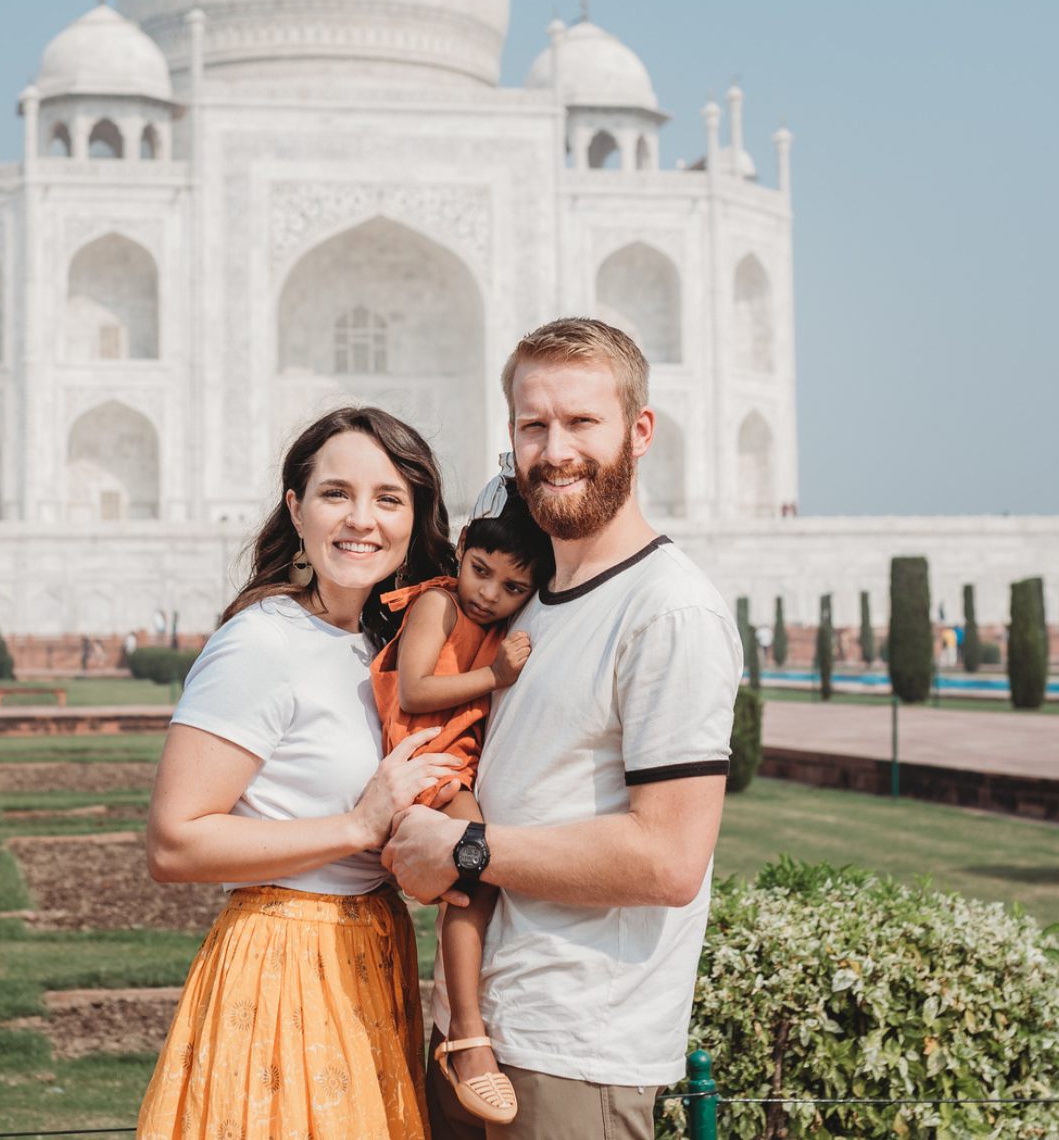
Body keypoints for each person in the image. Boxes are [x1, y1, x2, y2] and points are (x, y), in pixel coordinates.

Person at [385, 318, 739, 1140]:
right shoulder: (529, 600)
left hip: (576, 1053)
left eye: (582, 422)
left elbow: (669, 859)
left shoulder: (668, 611)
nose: (556, 449)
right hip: (475, 1037)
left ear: (639, 431)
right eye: (533, 425)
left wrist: (465, 849)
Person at [140, 406, 465, 1140]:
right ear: (296, 507)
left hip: (369, 953)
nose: (362, 520)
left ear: (416, 518)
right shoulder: (263, 643)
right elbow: (173, 844)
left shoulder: (379, 642)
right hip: (283, 964)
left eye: (388, 499)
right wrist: (357, 823)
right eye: (335, 494)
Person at [372, 464, 550, 1125]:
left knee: (472, 885)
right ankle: (468, 1042)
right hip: (426, 764)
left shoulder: (492, 619)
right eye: (481, 569)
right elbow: (415, 691)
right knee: (479, 868)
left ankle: (461, 1030)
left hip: (452, 765)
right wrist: (493, 675)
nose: (490, 593)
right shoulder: (438, 602)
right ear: (462, 548)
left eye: (513, 587)